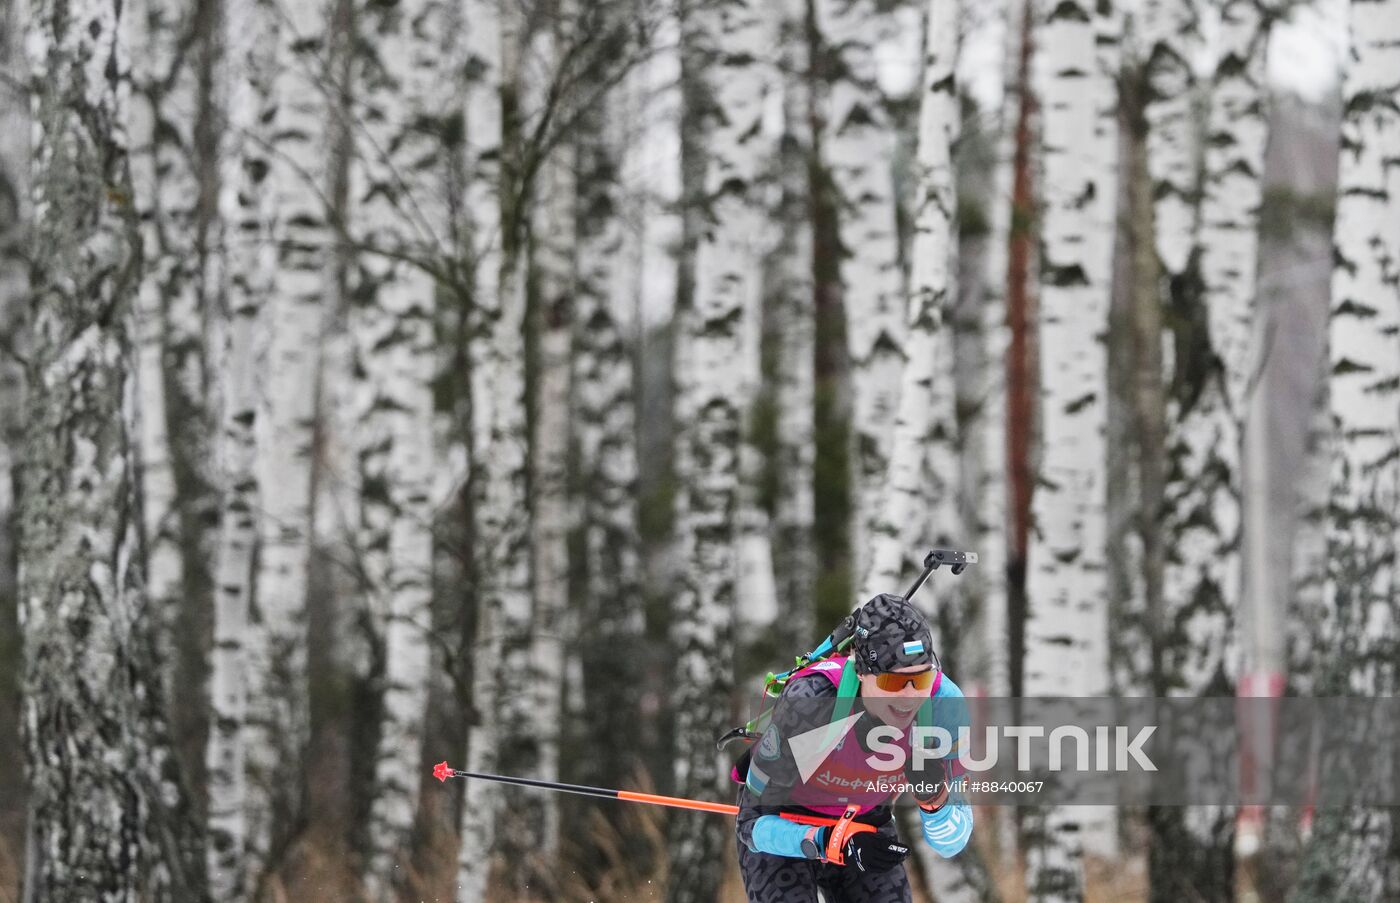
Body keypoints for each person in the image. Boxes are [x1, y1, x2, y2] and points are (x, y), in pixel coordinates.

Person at [734, 594, 974, 902]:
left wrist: (935, 802)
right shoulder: (812, 702)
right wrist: (833, 841)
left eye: (922, 678)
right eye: (892, 682)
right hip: (785, 824)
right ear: (861, 672)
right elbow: (750, 826)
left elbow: (952, 843)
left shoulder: (943, 705)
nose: (909, 697)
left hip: (865, 821)